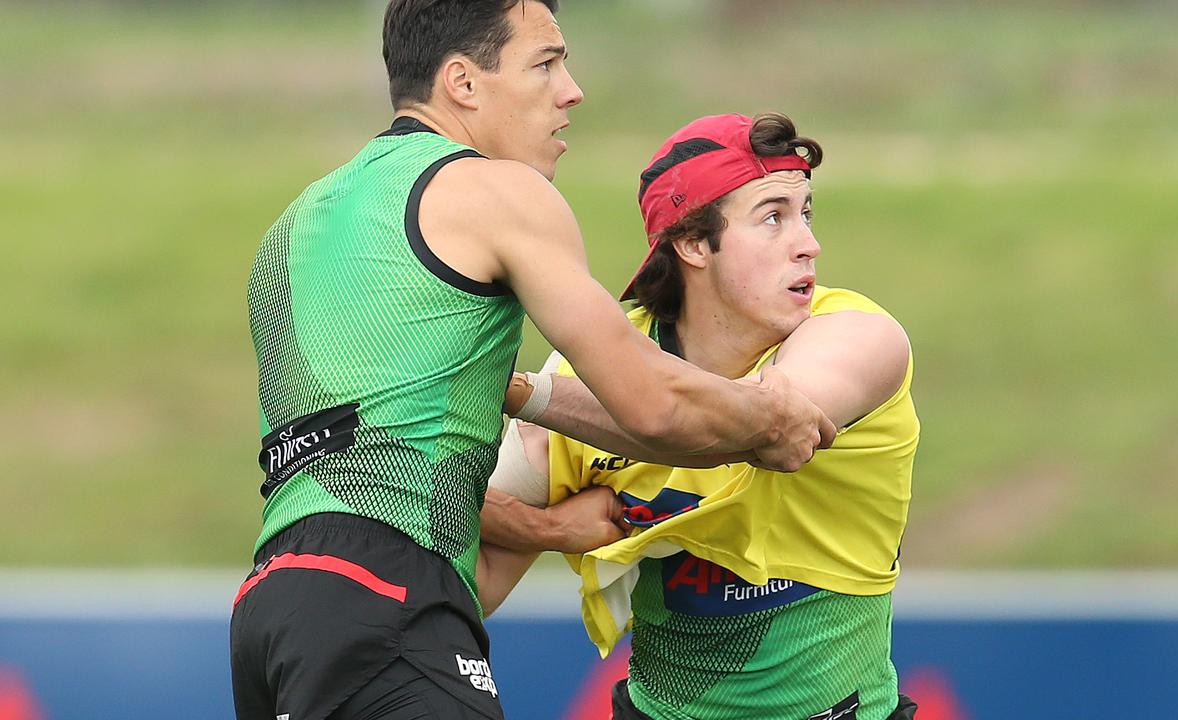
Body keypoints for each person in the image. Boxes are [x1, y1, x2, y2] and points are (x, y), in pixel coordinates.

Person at [230, 2, 837, 719]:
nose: (571, 89)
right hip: (389, 599)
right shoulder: (499, 192)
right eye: (545, 64)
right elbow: (651, 403)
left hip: (271, 607)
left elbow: (369, 468)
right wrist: (770, 418)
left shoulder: (296, 223)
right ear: (462, 82)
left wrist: (550, 529)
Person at [480, 112, 920, 720]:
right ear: (692, 244)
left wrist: (517, 390)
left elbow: (761, 428)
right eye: (773, 218)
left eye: (806, 213)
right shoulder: (588, 373)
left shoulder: (861, 338)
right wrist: (548, 531)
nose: (808, 243)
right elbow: (470, 568)